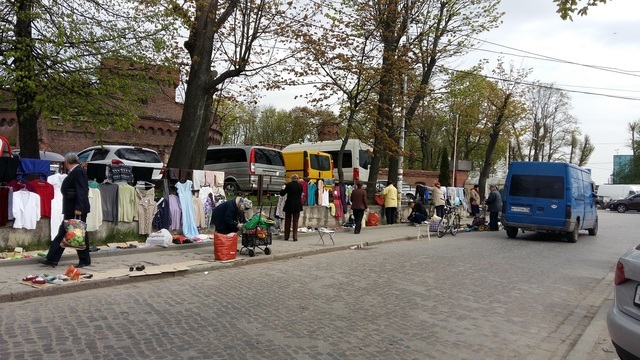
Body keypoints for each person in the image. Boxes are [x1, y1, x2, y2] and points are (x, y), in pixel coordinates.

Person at [40, 153, 91, 268]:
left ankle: (54, 258)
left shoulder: (78, 172)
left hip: (75, 209)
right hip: (72, 208)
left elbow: (82, 190)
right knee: (73, 233)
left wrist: (79, 208)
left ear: (67, 162)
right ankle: (53, 258)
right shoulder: (76, 171)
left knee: (77, 233)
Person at [280, 174, 303, 241]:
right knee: (295, 221)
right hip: (297, 205)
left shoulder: (288, 185)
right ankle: (295, 237)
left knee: (287, 221)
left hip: (289, 204)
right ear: (297, 179)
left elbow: (282, 194)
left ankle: (286, 236)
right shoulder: (300, 186)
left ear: (291, 178)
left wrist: (282, 189)